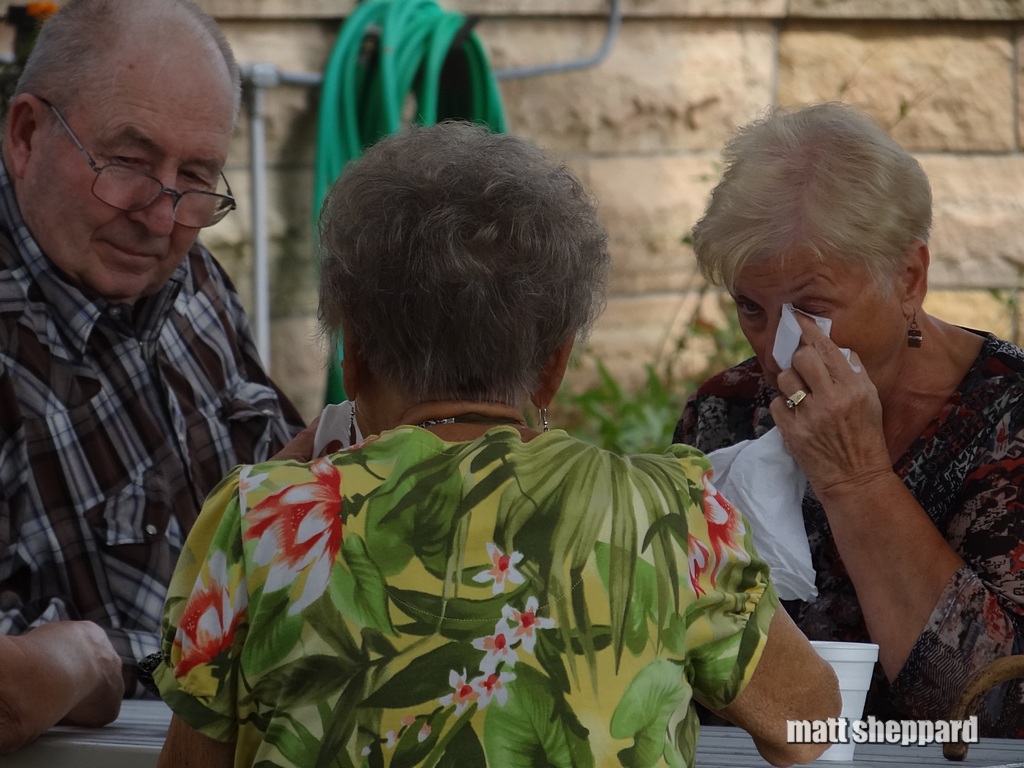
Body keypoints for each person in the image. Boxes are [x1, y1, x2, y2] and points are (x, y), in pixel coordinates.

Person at [152, 121, 840, 768]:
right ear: (554, 365)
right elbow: (810, 725)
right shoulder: (668, 513)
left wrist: (288, 474)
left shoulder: (260, 519)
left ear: (351, 357)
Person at [0, 0, 305, 752]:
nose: (162, 217)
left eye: (196, 176)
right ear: (26, 135)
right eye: (129, 163)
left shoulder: (188, 274)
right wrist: (81, 660)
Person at [675, 101, 1024, 736]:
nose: (778, 350)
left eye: (812, 307)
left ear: (909, 278)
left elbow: (996, 710)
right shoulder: (724, 411)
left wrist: (856, 479)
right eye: (751, 308)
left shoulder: (1011, 419)